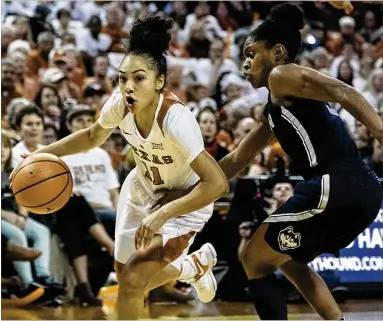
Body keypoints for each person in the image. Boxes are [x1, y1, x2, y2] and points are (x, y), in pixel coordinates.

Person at [158, 3, 382, 320]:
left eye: (252, 54)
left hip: (335, 183)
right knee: (287, 258)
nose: (246, 63)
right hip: (361, 190)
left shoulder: (281, 75)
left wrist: (380, 132)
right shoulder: (275, 107)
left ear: (277, 52)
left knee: (253, 259)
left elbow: (345, 91)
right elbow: (237, 158)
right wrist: (189, 192)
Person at [11, 16, 229, 319]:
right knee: (127, 276)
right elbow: (91, 136)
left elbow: (217, 184)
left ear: (159, 82)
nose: (128, 86)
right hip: (142, 189)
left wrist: (163, 213)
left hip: (184, 200)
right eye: (122, 78)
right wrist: (40, 154)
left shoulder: (177, 120)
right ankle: (191, 267)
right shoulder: (119, 104)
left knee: (131, 283)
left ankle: (190, 265)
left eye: (138, 78)